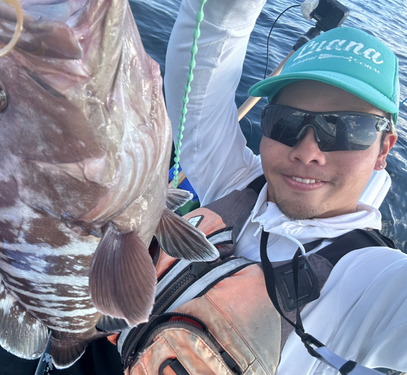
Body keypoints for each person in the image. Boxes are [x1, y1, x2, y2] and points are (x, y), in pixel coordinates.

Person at [162, 0, 407, 374]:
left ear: (383, 150)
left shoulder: (382, 286)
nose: (307, 152)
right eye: (285, 122)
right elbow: (209, 33)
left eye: (346, 129)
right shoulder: (237, 185)